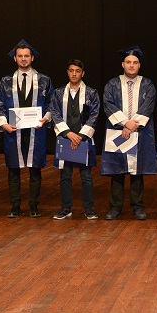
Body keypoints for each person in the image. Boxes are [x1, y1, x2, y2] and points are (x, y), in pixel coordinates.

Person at [0, 39, 54, 218]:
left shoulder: (44, 80)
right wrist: (3, 124)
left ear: (32, 58)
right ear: (15, 59)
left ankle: (34, 206)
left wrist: (45, 119)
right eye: (19, 56)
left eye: (26, 56)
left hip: (36, 130)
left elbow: (52, 104)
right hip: (13, 131)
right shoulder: (6, 81)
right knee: (14, 169)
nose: (23, 59)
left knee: (35, 169)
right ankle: (15, 206)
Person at [101, 46, 157, 221]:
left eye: (135, 62)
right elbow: (108, 104)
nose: (131, 65)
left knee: (137, 171)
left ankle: (138, 207)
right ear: (123, 64)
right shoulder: (112, 84)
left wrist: (132, 125)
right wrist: (125, 123)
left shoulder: (147, 84)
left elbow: (148, 106)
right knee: (117, 171)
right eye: (128, 62)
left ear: (139, 65)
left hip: (140, 131)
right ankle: (115, 208)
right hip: (119, 131)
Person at [50, 59, 101, 220]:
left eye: (77, 71)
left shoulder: (91, 93)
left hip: (83, 139)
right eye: (71, 70)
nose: (74, 73)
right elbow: (54, 113)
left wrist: (80, 136)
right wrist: (68, 133)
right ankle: (66, 208)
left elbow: (94, 115)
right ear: (67, 72)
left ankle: (89, 209)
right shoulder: (58, 93)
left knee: (86, 176)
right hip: (66, 138)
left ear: (82, 73)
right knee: (65, 176)